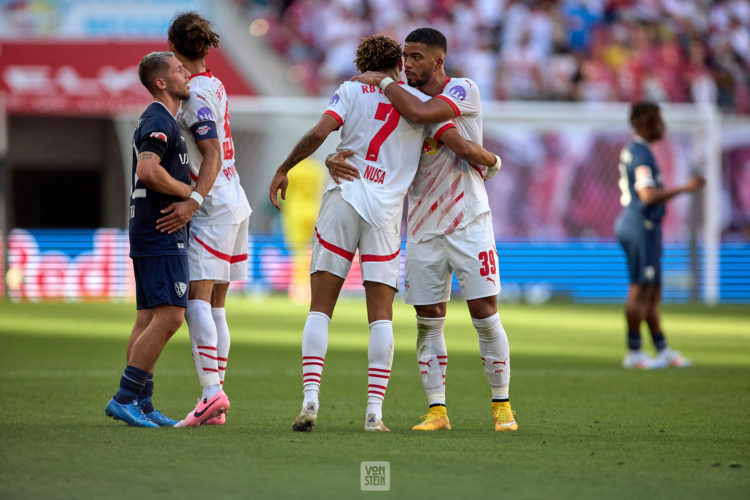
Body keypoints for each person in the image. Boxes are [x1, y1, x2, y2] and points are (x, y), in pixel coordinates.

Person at [269, 34, 500, 433]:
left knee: (320, 308)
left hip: (344, 199)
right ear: (399, 63)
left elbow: (320, 133)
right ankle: (374, 414)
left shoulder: (350, 90)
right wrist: (492, 162)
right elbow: (455, 142)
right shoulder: (419, 104)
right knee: (381, 319)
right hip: (385, 214)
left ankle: (310, 400)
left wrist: (285, 166)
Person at [328, 27, 516, 432]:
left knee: (484, 312)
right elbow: (372, 143)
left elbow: (425, 116)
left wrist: (382, 80)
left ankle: (502, 406)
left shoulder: (462, 90)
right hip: (421, 227)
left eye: (416, 57)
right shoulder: (399, 101)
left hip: (469, 220)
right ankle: (437, 411)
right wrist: (334, 157)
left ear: (438, 60)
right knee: (428, 320)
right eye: (404, 58)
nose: (407, 64)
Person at [164, 12, 252, 427]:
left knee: (195, 299)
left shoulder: (195, 94)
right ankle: (211, 396)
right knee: (216, 304)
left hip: (214, 202)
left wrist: (194, 200)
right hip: (234, 196)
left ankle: (213, 393)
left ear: (173, 45)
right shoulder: (213, 83)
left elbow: (211, 153)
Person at [105, 51, 194, 427]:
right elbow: (147, 169)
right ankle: (125, 398)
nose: (186, 73)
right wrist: (188, 195)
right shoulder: (159, 118)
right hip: (161, 228)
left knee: (147, 317)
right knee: (172, 315)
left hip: (147, 227)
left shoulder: (160, 119)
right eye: (178, 70)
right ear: (161, 82)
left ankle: (141, 402)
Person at [614, 102, 705, 369]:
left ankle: (662, 349)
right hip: (640, 225)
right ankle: (633, 352)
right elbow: (647, 195)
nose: (662, 125)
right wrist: (684, 189)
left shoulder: (640, 151)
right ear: (645, 123)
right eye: (658, 120)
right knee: (640, 288)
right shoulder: (641, 153)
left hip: (646, 227)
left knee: (652, 291)